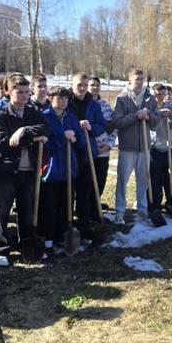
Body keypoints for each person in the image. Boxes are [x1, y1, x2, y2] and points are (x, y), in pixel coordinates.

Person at [0, 74, 50, 263]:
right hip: (7, 170)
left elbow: (46, 128)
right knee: (2, 211)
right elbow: (4, 141)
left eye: (27, 92)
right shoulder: (1, 115)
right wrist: (33, 138)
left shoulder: (33, 112)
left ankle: (26, 246)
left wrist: (23, 130)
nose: (25, 95)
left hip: (29, 170)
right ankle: (0, 249)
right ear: (9, 92)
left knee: (27, 210)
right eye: (20, 92)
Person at [112, 69, 160, 224]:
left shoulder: (150, 99)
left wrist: (148, 115)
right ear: (129, 80)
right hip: (127, 147)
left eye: (141, 79)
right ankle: (120, 211)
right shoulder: (122, 98)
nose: (139, 82)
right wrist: (135, 116)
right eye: (136, 79)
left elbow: (156, 122)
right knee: (122, 181)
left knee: (143, 181)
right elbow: (118, 122)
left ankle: (142, 210)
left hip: (144, 147)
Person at [42, 86, 85, 257]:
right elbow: (45, 143)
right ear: (50, 99)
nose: (63, 101)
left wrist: (74, 138)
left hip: (69, 167)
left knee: (66, 205)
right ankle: (48, 239)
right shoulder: (44, 117)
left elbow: (80, 142)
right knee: (49, 206)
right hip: (52, 168)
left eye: (66, 99)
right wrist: (63, 137)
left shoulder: (71, 117)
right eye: (59, 98)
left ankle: (62, 238)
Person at [68, 73, 106, 246]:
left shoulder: (93, 104)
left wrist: (91, 127)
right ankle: (66, 225)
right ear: (72, 85)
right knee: (68, 191)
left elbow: (101, 126)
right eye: (79, 85)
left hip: (86, 153)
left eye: (85, 84)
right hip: (68, 152)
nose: (82, 88)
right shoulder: (65, 101)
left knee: (85, 191)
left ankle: (84, 225)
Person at [148, 83, 172, 213]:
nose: (160, 97)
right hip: (154, 149)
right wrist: (160, 116)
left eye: (162, 94)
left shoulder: (171, 108)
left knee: (171, 178)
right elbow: (152, 127)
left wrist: (170, 115)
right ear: (153, 94)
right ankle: (155, 204)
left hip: (169, 148)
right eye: (157, 94)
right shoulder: (149, 108)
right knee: (155, 179)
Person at [88, 76, 116, 203]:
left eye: (97, 85)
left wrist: (108, 145)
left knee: (100, 179)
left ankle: (96, 206)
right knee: (87, 181)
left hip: (103, 150)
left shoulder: (106, 106)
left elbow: (113, 127)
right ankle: (87, 207)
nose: (95, 88)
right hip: (89, 150)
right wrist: (93, 146)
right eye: (92, 85)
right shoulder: (84, 106)